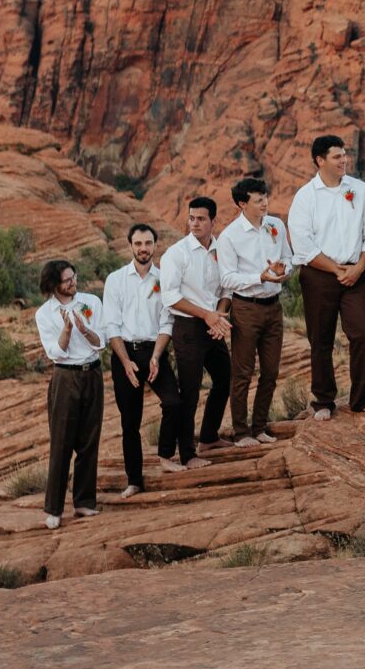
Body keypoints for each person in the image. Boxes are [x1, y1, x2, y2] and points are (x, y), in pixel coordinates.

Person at [288, 134, 365, 417]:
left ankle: (361, 399)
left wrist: (359, 266)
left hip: (356, 273)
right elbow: (303, 245)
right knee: (321, 340)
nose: (344, 161)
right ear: (320, 160)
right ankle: (324, 401)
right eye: (337, 156)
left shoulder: (360, 189)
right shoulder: (305, 197)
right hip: (319, 276)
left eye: (344, 155)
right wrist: (335, 269)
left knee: (364, 334)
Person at [100, 223, 177, 496]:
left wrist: (156, 356)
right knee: (130, 421)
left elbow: (167, 321)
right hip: (126, 354)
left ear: (155, 245)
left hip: (154, 350)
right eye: (138, 244)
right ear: (130, 246)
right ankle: (134, 481)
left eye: (148, 243)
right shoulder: (116, 279)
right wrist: (125, 362)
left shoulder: (164, 278)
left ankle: (167, 457)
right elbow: (111, 326)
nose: (143, 248)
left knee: (173, 401)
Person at [217, 175, 292, 447]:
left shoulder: (276, 225)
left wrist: (285, 270)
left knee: (271, 371)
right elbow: (226, 278)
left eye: (265, 198)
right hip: (246, 308)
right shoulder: (229, 237)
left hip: (274, 308)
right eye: (258, 200)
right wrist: (259, 278)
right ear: (242, 204)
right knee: (243, 373)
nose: (265, 204)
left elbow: (288, 257)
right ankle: (241, 432)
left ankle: (259, 427)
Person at [158, 195, 233, 464]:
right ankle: (187, 454)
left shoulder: (221, 249)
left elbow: (226, 288)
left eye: (201, 219)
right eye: (191, 218)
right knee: (189, 390)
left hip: (213, 324)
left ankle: (209, 438)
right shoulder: (176, 254)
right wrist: (207, 316)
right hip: (188, 326)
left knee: (225, 378)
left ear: (214, 221)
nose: (195, 223)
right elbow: (170, 297)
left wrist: (219, 316)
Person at [33, 258, 104, 530]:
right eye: (67, 280)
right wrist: (66, 330)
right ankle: (53, 509)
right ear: (53, 285)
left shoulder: (91, 303)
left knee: (89, 440)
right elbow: (55, 352)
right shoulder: (44, 314)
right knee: (61, 443)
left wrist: (85, 330)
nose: (73, 283)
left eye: (74, 277)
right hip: (65, 376)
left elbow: (102, 342)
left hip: (92, 373)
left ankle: (84, 502)